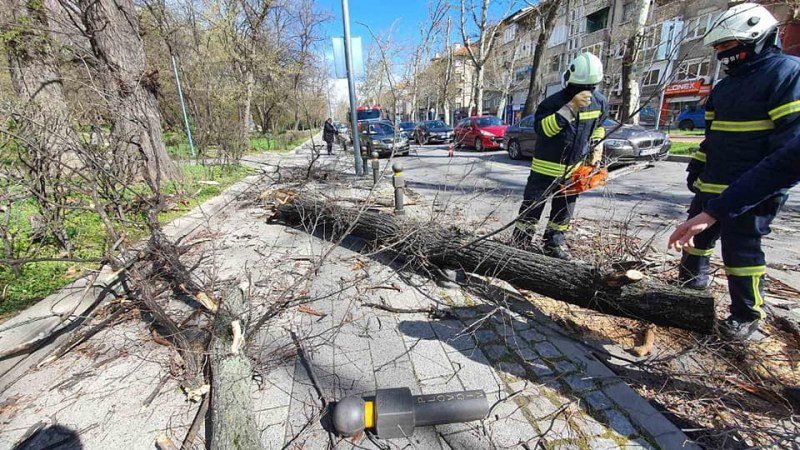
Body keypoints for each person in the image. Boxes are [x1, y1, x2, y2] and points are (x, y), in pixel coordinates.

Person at [668, 3, 800, 340]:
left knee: (741, 253)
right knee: (693, 242)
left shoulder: (787, 74)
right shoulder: (725, 87)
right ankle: (689, 293)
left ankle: (746, 315)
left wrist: (755, 190)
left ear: (756, 37)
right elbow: (711, 136)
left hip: (752, 188)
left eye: (727, 47)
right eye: (717, 49)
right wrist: (697, 164)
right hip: (711, 185)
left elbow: (788, 149)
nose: (722, 55)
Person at [512, 53, 608, 260]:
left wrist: (597, 148)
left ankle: (553, 244)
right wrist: (570, 108)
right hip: (544, 171)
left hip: (574, 170)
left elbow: (599, 127)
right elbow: (544, 131)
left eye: (591, 88)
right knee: (532, 209)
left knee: (563, 212)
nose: (586, 92)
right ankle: (519, 244)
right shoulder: (553, 103)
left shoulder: (599, 102)